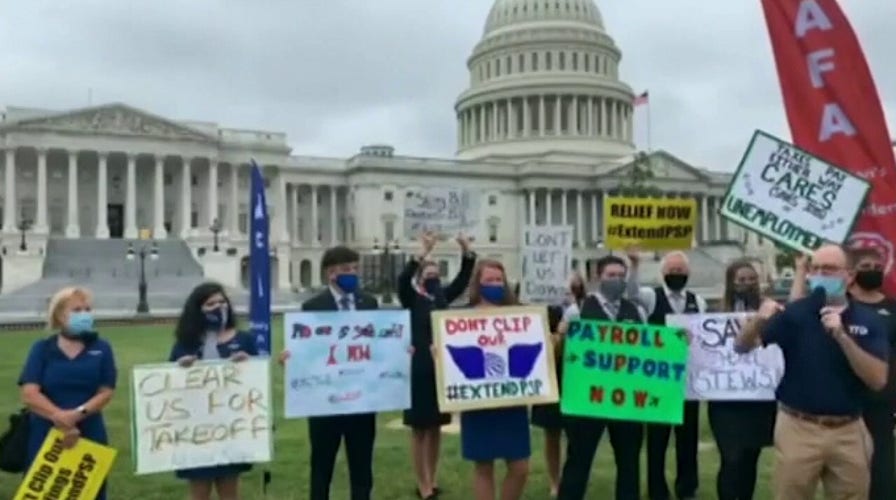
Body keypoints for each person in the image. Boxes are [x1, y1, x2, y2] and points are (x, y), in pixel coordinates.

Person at [736, 243, 890, 500]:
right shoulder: (797, 313)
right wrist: (759, 319)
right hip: (798, 426)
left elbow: (877, 380)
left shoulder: (866, 319)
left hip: (848, 429)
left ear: (849, 275)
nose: (820, 275)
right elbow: (742, 346)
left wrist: (841, 335)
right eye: (815, 268)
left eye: (829, 269)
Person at [788, 247, 896, 500]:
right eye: (865, 267)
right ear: (853, 274)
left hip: (876, 403)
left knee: (879, 474)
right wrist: (800, 270)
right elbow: (794, 315)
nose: (872, 271)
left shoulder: (885, 310)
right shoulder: (836, 303)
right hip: (838, 405)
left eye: (876, 266)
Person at [280, 245, 380, 500]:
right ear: (330, 274)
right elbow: (308, 350)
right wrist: (291, 358)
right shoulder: (313, 306)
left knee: (362, 466)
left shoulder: (368, 303)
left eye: (356, 269)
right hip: (325, 401)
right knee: (322, 466)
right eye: (347, 270)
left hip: (361, 400)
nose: (353, 274)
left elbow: (377, 345)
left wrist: (398, 353)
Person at [557, 255, 646, 500]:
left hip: (626, 398)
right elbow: (561, 351)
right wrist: (561, 336)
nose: (617, 280)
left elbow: (649, 349)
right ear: (598, 278)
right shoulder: (579, 310)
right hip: (587, 399)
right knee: (578, 460)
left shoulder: (635, 310)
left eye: (621, 275)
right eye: (611, 275)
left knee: (629, 462)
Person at [18, 286, 116, 500]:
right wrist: (60, 418)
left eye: (87, 309)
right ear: (60, 315)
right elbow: (29, 393)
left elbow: (106, 391)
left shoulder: (102, 348)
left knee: (89, 491)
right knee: (47, 491)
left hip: (89, 430)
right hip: (46, 433)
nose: (84, 314)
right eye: (77, 310)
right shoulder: (42, 349)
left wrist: (76, 415)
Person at [398, 232, 476, 499]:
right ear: (420, 277)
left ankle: (432, 478)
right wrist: (422, 252)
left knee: (436, 428)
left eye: (436, 272)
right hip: (418, 370)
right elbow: (401, 280)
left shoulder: (441, 297)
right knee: (419, 430)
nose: (433, 275)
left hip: (440, 371)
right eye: (428, 272)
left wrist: (466, 250)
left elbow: (464, 278)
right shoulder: (411, 298)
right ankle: (421, 483)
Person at [627, 250, 705, 500]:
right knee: (657, 441)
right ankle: (657, 489)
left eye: (680, 271)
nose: (676, 275)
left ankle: (687, 488)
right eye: (671, 271)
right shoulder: (652, 297)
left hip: (687, 382)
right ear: (662, 273)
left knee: (688, 439)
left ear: (688, 273)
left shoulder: (698, 301)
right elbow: (631, 294)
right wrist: (634, 265)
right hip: (658, 380)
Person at [169, 282, 257, 500]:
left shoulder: (244, 339)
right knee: (199, 492)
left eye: (222, 302)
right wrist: (181, 369)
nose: (218, 307)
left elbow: (257, 382)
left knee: (230, 490)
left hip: (231, 423)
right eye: (211, 304)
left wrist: (249, 364)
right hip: (197, 427)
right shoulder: (185, 342)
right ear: (198, 309)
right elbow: (168, 383)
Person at [457, 259, 530, 500]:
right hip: (479, 404)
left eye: (499, 280)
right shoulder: (462, 318)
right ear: (478, 283)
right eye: (489, 280)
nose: (495, 284)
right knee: (483, 466)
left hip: (512, 403)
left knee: (520, 468)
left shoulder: (519, 315)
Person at [707, 260, 777, 500]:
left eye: (751, 279)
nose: (747, 284)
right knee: (731, 458)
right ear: (731, 283)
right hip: (726, 401)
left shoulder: (770, 312)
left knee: (750, 458)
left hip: (758, 399)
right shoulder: (716, 313)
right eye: (741, 280)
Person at [529, 303, 566, 498]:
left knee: (578, 436)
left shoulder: (579, 301)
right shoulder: (537, 307)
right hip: (549, 376)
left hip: (575, 374)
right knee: (552, 433)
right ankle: (555, 482)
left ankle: (572, 478)